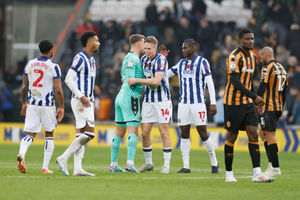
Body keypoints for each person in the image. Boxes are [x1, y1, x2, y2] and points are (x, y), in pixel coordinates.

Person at [223, 29, 274, 183]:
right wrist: (255, 97)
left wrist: (256, 100)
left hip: (247, 103)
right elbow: (235, 82)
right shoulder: (234, 57)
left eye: (252, 39)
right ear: (240, 41)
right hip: (233, 103)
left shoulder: (253, 57)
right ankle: (229, 174)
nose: (251, 41)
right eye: (247, 39)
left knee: (253, 133)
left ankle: (257, 173)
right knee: (232, 136)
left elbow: (249, 83)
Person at [167, 38, 219, 174]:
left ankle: (214, 162)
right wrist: (161, 61)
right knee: (184, 133)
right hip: (184, 103)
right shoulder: (181, 64)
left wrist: (213, 102)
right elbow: (166, 74)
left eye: (186, 48)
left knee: (202, 133)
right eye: (182, 48)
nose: (183, 50)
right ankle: (186, 166)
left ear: (193, 48)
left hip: (198, 103)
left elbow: (210, 83)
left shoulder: (202, 62)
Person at [56, 31, 100, 176]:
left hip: (88, 100)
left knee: (81, 134)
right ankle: (63, 158)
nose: (99, 43)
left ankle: (77, 168)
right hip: (81, 101)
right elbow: (68, 79)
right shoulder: (80, 58)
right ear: (89, 43)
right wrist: (81, 96)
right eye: (96, 41)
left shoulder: (92, 60)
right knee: (89, 134)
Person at [17, 40, 64, 174]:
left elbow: (24, 86)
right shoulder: (53, 66)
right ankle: (45, 167)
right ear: (51, 51)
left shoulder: (30, 64)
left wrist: (24, 102)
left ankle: (21, 154)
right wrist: (61, 106)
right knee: (49, 134)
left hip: (32, 104)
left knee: (30, 134)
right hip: (47, 105)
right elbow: (58, 90)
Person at [128, 36, 172, 174]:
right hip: (148, 100)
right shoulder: (144, 60)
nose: (146, 51)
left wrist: (136, 80)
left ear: (155, 48)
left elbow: (156, 81)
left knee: (163, 131)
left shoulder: (161, 60)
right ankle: (148, 163)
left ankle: (166, 166)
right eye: (145, 48)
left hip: (162, 100)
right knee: (145, 132)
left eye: (149, 49)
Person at [110, 34, 145, 173]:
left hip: (120, 96)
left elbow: (122, 77)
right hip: (130, 96)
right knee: (133, 129)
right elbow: (130, 80)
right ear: (138, 44)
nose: (145, 45)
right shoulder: (133, 58)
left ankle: (113, 164)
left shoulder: (126, 57)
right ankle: (130, 163)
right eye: (144, 43)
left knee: (119, 131)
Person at [257, 46, 288, 176]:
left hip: (268, 106)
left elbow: (262, 86)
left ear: (266, 55)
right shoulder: (282, 68)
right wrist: (281, 108)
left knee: (270, 135)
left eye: (261, 57)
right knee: (262, 133)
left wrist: (257, 102)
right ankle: (271, 163)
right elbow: (285, 90)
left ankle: (275, 167)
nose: (260, 59)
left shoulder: (267, 68)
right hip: (277, 106)